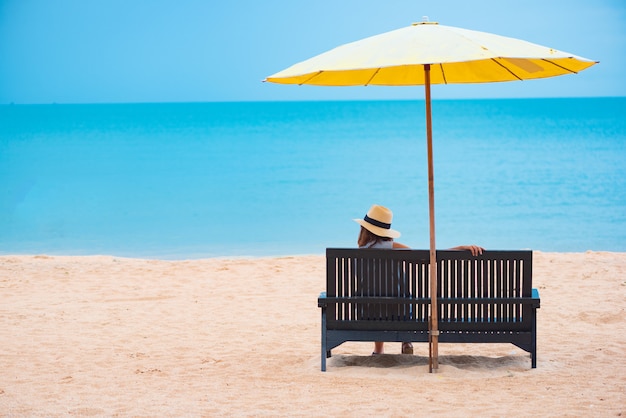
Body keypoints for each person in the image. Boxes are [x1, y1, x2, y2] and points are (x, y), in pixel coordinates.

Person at [354, 204, 484, 355]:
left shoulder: (358, 254)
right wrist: (461, 248)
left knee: (376, 292)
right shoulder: (394, 247)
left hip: (368, 314)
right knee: (396, 288)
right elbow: (428, 258)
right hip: (399, 313)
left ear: (364, 229)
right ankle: (406, 339)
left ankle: (378, 350)